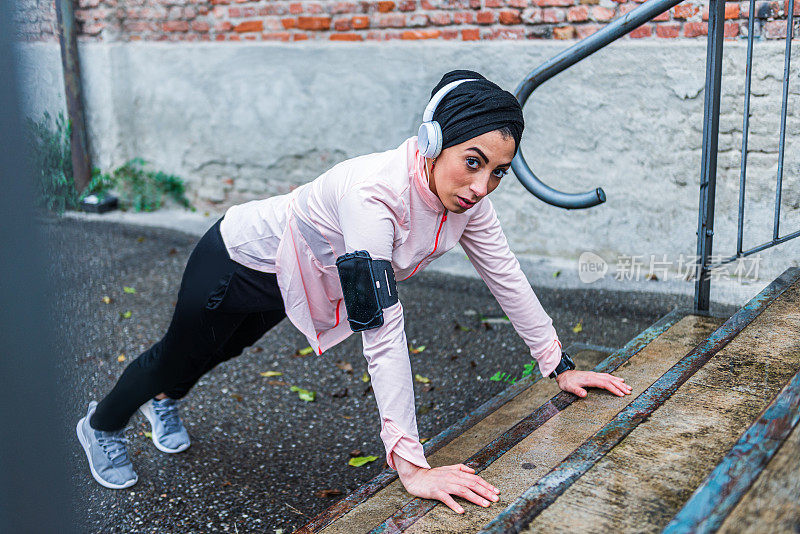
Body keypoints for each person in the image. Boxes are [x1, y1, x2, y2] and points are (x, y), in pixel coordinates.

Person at [76, 69, 632, 513]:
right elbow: (382, 331)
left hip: (295, 278)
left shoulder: (470, 204)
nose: (481, 187)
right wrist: (410, 465)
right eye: (472, 163)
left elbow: (506, 275)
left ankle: (166, 400)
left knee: (228, 348)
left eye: (497, 173)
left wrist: (558, 364)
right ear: (432, 141)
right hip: (236, 260)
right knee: (178, 353)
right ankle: (101, 424)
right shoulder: (374, 196)